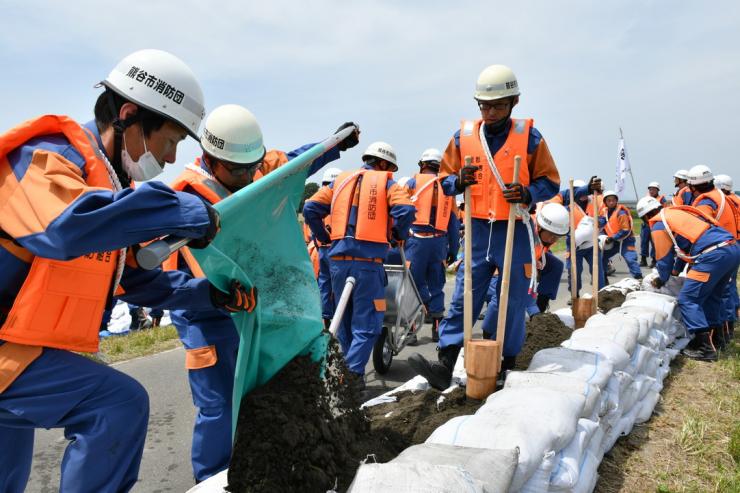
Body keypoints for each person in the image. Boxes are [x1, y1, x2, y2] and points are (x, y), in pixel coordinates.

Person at [0, 49, 255, 493]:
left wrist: (210, 295)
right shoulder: (44, 157)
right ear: (128, 116)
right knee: (117, 404)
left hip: (17, 355)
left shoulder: (113, 191)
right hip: (9, 353)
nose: (172, 159)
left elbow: (136, 279)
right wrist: (177, 208)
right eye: (169, 141)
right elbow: (64, 228)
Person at [165, 104, 357, 482]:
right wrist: (210, 295)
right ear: (208, 158)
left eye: (251, 167)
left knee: (268, 390)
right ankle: (212, 479)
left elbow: (296, 163)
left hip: (255, 305)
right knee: (219, 405)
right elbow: (170, 278)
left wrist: (333, 145)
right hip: (207, 313)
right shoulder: (184, 198)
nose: (247, 176)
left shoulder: (254, 167)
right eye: (236, 170)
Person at [407, 64, 560, 391]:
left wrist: (529, 193)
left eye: (498, 106)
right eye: (484, 106)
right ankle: (446, 361)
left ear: (514, 102)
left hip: (513, 228)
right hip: (477, 228)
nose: (490, 112)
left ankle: (505, 363)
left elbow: (550, 181)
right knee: (465, 294)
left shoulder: (530, 138)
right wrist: (456, 180)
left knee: (512, 298)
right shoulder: (463, 138)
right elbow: (444, 180)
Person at [303, 141, 415, 388]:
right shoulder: (386, 182)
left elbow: (310, 208)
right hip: (368, 265)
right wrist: (397, 234)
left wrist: (323, 237)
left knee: (344, 320)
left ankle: (349, 371)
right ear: (383, 164)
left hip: (338, 265)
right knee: (368, 324)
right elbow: (406, 210)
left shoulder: (340, 182)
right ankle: (352, 376)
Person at [637, 197, 739, 361]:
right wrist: (676, 271)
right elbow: (685, 247)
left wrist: (662, 278)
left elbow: (664, 257)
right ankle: (718, 341)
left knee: (688, 299)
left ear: (646, 216)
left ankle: (704, 348)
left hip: (713, 255)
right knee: (713, 297)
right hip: (731, 248)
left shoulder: (659, 224)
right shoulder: (678, 213)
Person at [483, 203, 569, 348]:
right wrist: (532, 309)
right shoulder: (524, 235)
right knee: (504, 299)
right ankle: (488, 332)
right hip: (501, 272)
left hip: (526, 262)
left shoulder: (541, 231)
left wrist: (539, 259)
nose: (554, 240)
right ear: (540, 227)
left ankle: (541, 307)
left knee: (555, 266)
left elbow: (539, 250)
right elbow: (524, 280)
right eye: (552, 235)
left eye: (558, 237)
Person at [404, 148, 460, 342]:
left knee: (412, 285)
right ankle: (437, 329)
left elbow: (402, 213)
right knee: (436, 285)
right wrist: (453, 250)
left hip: (415, 242)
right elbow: (453, 223)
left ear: (422, 165)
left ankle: (410, 332)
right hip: (439, 243)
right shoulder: (448, 189)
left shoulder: (411, 183)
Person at [548, 178, 605, 300]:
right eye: (579, 192)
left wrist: (597, 222)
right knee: (574, 272)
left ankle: (601, 293)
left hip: (592, 244)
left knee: (597, 270)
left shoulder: (594, 202)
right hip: (575, 245)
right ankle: (574, 294)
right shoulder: (567, 207)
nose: (583, 195)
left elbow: (603, 217)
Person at [715, 174, 739, 340]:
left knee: (725, 286)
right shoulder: (736, 199)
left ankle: (727, 325)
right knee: (731, 285)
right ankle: (734, 314)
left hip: (728, 244)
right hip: (735, 244)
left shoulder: (724, 202)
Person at [600, 190, 643, 282]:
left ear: (616, 201)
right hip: (614, 242)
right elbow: (602, 223)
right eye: (609, 200)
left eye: (613, 200)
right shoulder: (605, 212)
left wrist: (612, 238)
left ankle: (639, 279)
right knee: (602, 257)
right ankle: (603, 279)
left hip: (626, 240)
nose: (611, 202)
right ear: (605, 202)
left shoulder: (621, 213)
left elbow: (625, 230)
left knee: (630, 259)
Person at [639, 182, 667, 267]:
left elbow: (665, 210)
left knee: (654, 242)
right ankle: (643, 259)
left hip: (655, 223)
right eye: (650, 189)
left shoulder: (661, 199)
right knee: (644, 242)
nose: (652, 191)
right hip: (646, 223)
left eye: (654, 189)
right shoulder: (645, 199)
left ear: (657, 190)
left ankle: (654, 260)